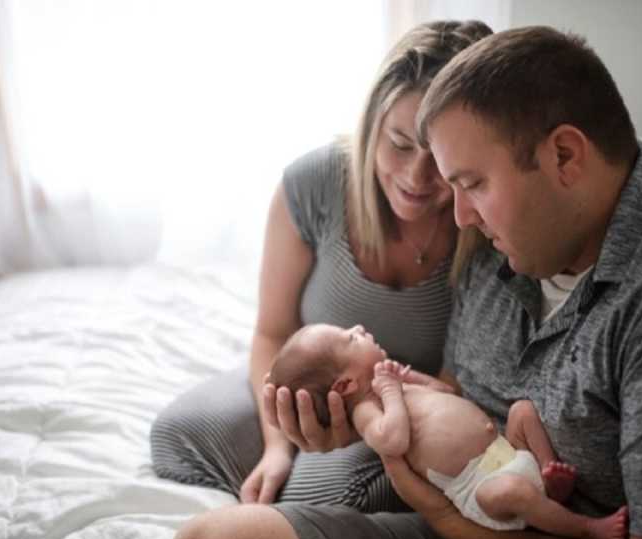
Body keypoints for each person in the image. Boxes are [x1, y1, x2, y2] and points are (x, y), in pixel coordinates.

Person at [155, 26, 642, 539]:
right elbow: (459, 394)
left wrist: (438, 513)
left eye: (470, 184)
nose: (455, 213)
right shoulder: (505, 251)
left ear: (565, 156)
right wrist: (360, 411)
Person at [149, 19, 493, 513]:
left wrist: (361, 424)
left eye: (438, 160)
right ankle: (282, 496)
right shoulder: (314, 183)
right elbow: (273, 332)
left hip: (403, 415)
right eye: (398, 144)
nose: (416, 178)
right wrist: (277, 444)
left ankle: (298, 506)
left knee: (326, 494)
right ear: (372, 125)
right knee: (177, 436)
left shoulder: (482, 223)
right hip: (310, 384)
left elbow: (452, 388)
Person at [269, 322, 629, 539]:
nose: (361, 330)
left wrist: (410, 380)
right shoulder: (368, 410)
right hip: (482, 488)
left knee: (523, 410)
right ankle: (584, 527)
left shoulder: (395, 386)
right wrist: (393, 391)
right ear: (346, 385)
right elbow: (393, 441)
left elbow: (446, 395)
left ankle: (549, 475)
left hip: (508, 451)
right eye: (351, 338)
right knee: (510, 492)